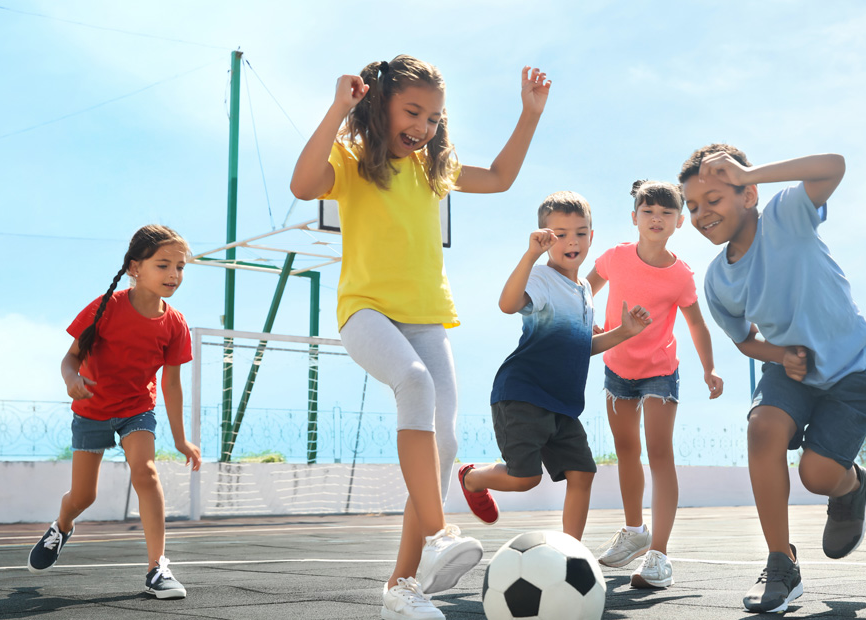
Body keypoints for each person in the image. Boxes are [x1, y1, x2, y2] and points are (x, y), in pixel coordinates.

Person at [289, 55, 552, 620]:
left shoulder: (434, 171)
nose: (424, 126)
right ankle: (437, 533)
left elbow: (502, 178)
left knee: (447, 445)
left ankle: (401, 588)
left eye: (434, 117)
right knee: (413, 383)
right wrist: (340, 108)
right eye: (413, 111)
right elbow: (303, 183)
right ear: (378, 106)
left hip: (426, 317)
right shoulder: (353, 161)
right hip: (365, 313)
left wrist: (528, 115)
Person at [679, 145, 866, 613]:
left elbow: (835, 165)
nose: (701, 213)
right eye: (692, 206)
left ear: (748, 194)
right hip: (792, 371)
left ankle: (851, 487)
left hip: (855, 367)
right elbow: (745, 340)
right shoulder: (717, 281)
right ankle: (781, 562)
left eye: (713, 199)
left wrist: (753, 171)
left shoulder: (785, 215)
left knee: (817, 475)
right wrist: (782, 355)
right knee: (762, 428)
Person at [458, 191, 651, 541]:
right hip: (523, 394)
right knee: (525, 479)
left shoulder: (584, 292)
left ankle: (570, 552)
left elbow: (580, 347)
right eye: (560, 234)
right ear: (545, 238)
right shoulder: (541, 279)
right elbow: (507, 304)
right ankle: (472, 478)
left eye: (580, 232)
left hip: (563, 405)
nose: (572, 241)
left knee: (582, 473)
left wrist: (624, 332)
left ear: (591, 236)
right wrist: (531, 255)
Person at [27, 224, 202, 600]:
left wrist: (181, 438)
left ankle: (158, 568)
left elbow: (171, 385)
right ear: (135, 268)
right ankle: (62, 525)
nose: (174, 274)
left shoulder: (175, 324)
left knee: (146, 472)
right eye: (164, 265)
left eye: (181, 267)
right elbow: (70, 358)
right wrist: (71, 379)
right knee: (83, 497)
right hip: (91, 410)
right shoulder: (104, 308)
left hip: (136, 409)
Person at [586, 180, 723, 588]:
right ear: (634, 218)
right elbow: (584, 291)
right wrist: (583, 322)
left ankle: (658, 555)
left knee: (659, 454)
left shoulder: (680, 276)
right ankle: (635, 531)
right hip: (617, 369)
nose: (656, 218)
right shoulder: (614, 258)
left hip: (660, 371)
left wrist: (709, 368)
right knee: (626, 450)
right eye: (648, 211)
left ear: (679, 222)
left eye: (666, 213)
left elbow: (696, 323)